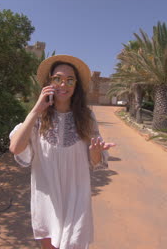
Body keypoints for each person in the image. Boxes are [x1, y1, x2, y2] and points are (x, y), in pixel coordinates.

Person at [9, 55, 116, 249]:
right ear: (48, 82)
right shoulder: (38, 117)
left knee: (73, 242)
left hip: (77, 197)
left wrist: (95, 151)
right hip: (46, 199)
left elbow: (95, 161)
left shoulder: (87, 117)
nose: (63, 84)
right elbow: (16, 148)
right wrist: (35, 111)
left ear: (76, 85)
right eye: (57, 78)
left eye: (70, 80)